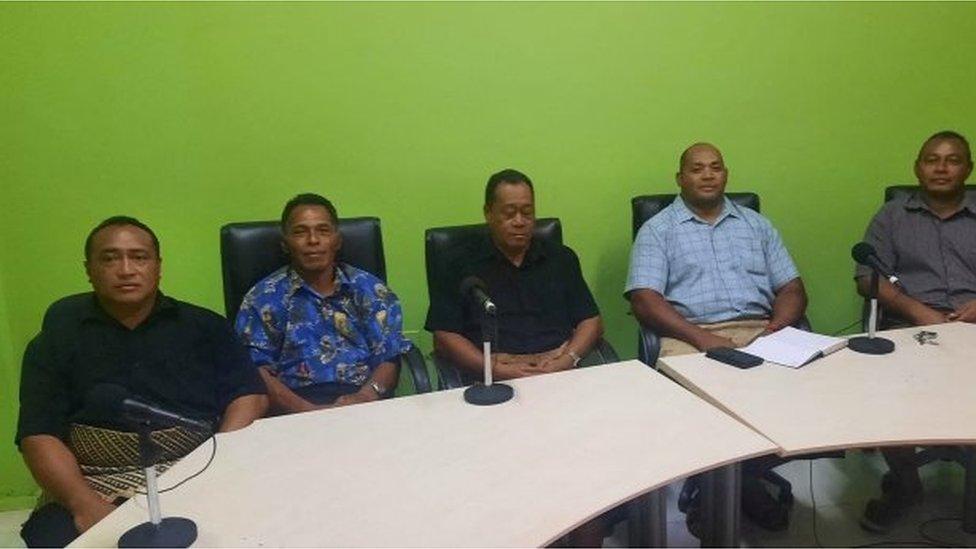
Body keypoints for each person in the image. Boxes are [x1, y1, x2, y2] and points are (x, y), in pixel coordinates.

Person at [16, 216, 268, 547]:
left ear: (158, 266)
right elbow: (38, 434)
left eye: (139, 257)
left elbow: (248, 395)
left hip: (194, 469)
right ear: (89, 269)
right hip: (93, 481)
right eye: (110, 258)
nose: (126, 269)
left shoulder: (205, 327)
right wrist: (84, 504)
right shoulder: (54, 341)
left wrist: (219, 463)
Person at [626, 142, 808, 532]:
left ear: (726, 174)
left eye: (715, 167)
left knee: (808, 400)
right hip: (690, 335)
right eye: (696, 169)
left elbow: (792, 288)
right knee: (714, 410)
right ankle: (740, 489)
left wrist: (776, 328)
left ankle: (727, 488)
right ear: (680, 179)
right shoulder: (658, 230)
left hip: (762, 330)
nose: (707, 175)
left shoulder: (757, 226)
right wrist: (703, 339)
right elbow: (644, 300)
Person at [425, 168, 606, 546]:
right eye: (509, 212)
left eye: (527, 211)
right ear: (488, 212)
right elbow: (445, 336)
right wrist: (494, 368)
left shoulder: (560, 258)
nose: (520, 221)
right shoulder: (459, 264)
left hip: (560, 372)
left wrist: (568, 358)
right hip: (495, 378)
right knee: (515, 475)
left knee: (589, 467)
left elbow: (590, 320)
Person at [855, 130, 976, 533]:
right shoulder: (891, 216)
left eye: (953, 160)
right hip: (911, 327)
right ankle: (906, 485)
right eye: (932, 159)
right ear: (917, 168)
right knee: (884, 390)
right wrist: (919, 312)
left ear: (968, 168)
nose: (941, 168)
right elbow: (867, 275)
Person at [236, 193, 411, 414]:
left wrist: (366, 396)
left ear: (337, 241)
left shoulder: (370, 289)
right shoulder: (262, 298)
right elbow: (256, 371)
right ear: (285, 244)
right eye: (300, 232)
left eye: (323, 230)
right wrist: (308, 412)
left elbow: (388, 357)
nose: (313, 240)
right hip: (294, 409)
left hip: (363, 403)